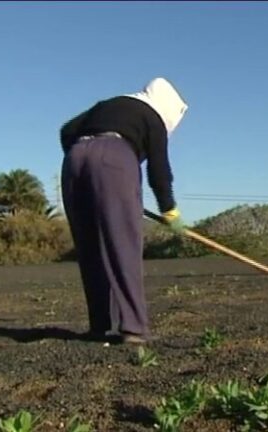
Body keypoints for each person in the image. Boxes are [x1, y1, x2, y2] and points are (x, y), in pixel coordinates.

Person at [59, 77, 188, 344]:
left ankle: (100, 325)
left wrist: (85, 156)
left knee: (89, 246)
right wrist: (169, 210)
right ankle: (133, 327)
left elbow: (66, 129)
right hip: (115, 159)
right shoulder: (153, 116)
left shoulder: (109, 105)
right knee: (123, 245)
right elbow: (159, 171)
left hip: (74, 160)